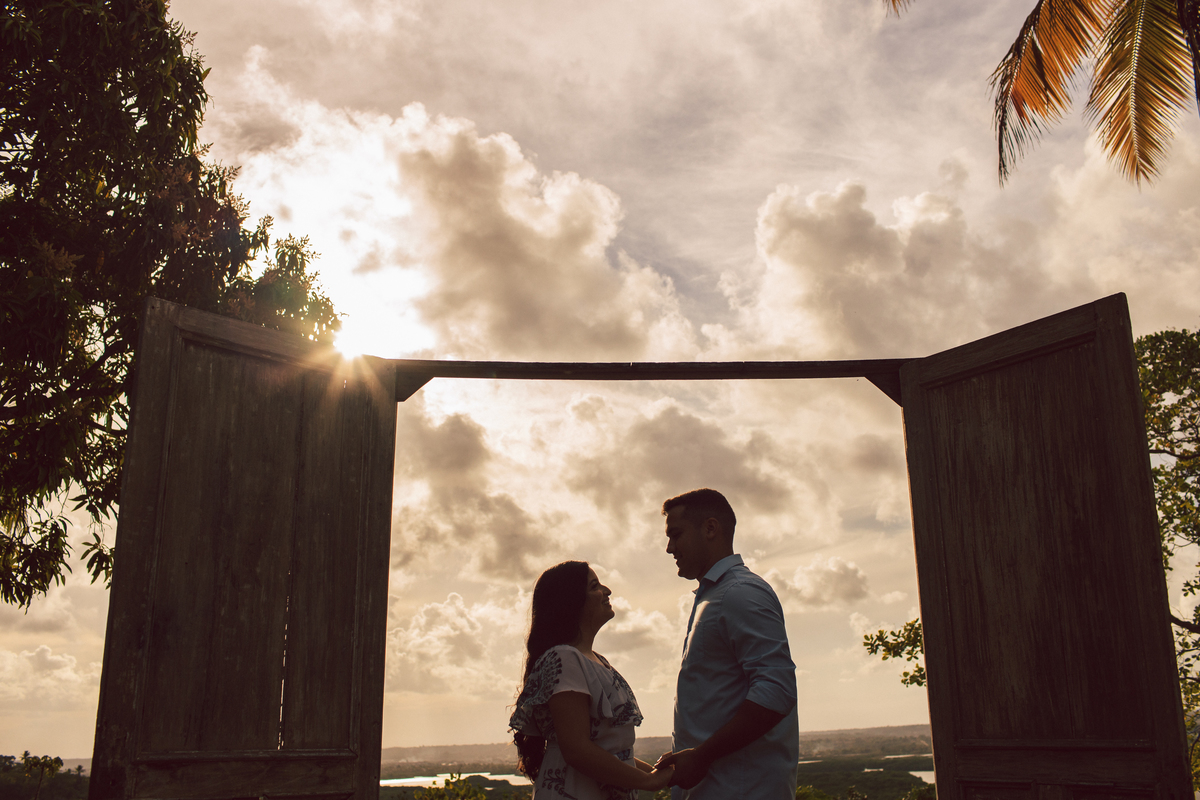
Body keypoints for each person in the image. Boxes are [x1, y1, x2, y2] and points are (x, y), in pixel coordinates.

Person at [655, 488, 799, 799]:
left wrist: (702, 755)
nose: (669, 548)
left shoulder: (740, 594)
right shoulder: (714, 597)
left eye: (676, 535)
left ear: (710, 528)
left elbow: (776, 690)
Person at [510, 560, 674, 799]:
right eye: (595, 586)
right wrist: (649, 781)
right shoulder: (564, 658)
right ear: (571, 601)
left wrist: (662, 774)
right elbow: (577, 750)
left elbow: (613, 751)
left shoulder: (595, 660)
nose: (607, 591)